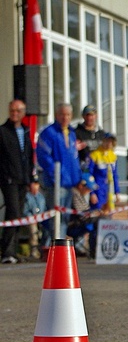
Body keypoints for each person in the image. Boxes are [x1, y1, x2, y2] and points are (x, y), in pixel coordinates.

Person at [36, 103, 83, 239]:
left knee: (64, 218)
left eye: (68, 115)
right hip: (55, 183)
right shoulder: (49, 133)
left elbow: (74, 159)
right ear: (57, 115)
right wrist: (57, 175)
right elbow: (44, 157)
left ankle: (59, 246)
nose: (65, 117)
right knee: (54, 217)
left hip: (70, 184)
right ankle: (50, 248)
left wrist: (78, 179)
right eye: (62, 114)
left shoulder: (72, 133)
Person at [0, 99, 34, 263]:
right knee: (12, 212)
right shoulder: (3, 131)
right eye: (12, 110)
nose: (14, 114)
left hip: (23, 179)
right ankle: (7, 251)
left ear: (23, 113)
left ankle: (14, 250)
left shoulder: (26, 131)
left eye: (18, 111)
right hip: (9, 179)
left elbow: (28, 156)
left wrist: (32, 179)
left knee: (19, 215)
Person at [89, 133, 119, 214]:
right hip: (98, 190)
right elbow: (88, 175)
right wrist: (92, 193)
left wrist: (117, 192)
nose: (109, 144)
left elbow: (115, 175)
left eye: (111, 142)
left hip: (109, 191)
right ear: (102, 141)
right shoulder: (94, 155)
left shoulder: (113, 156)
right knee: (97, 214)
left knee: (109, 215)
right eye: (107, 141)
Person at [74, 104, 109, 171]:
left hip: (100, 169)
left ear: (96, 116)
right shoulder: (77, 132)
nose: (90, 118)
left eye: (92, 115)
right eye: (87, 115)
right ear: (83, 116)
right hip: (84, 169)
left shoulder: (101, 134)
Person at [23, 178, 47, 259]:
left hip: (41, 218)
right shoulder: (26, 196)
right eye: (33, 184)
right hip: (30, 219)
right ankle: (34, 251)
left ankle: (45, 249)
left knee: (48, 228)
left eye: (37, 184)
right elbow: (25, 211)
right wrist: (33, 218)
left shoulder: (41, 196)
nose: (35, 186)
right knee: (33, 231)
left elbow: (44, 209)